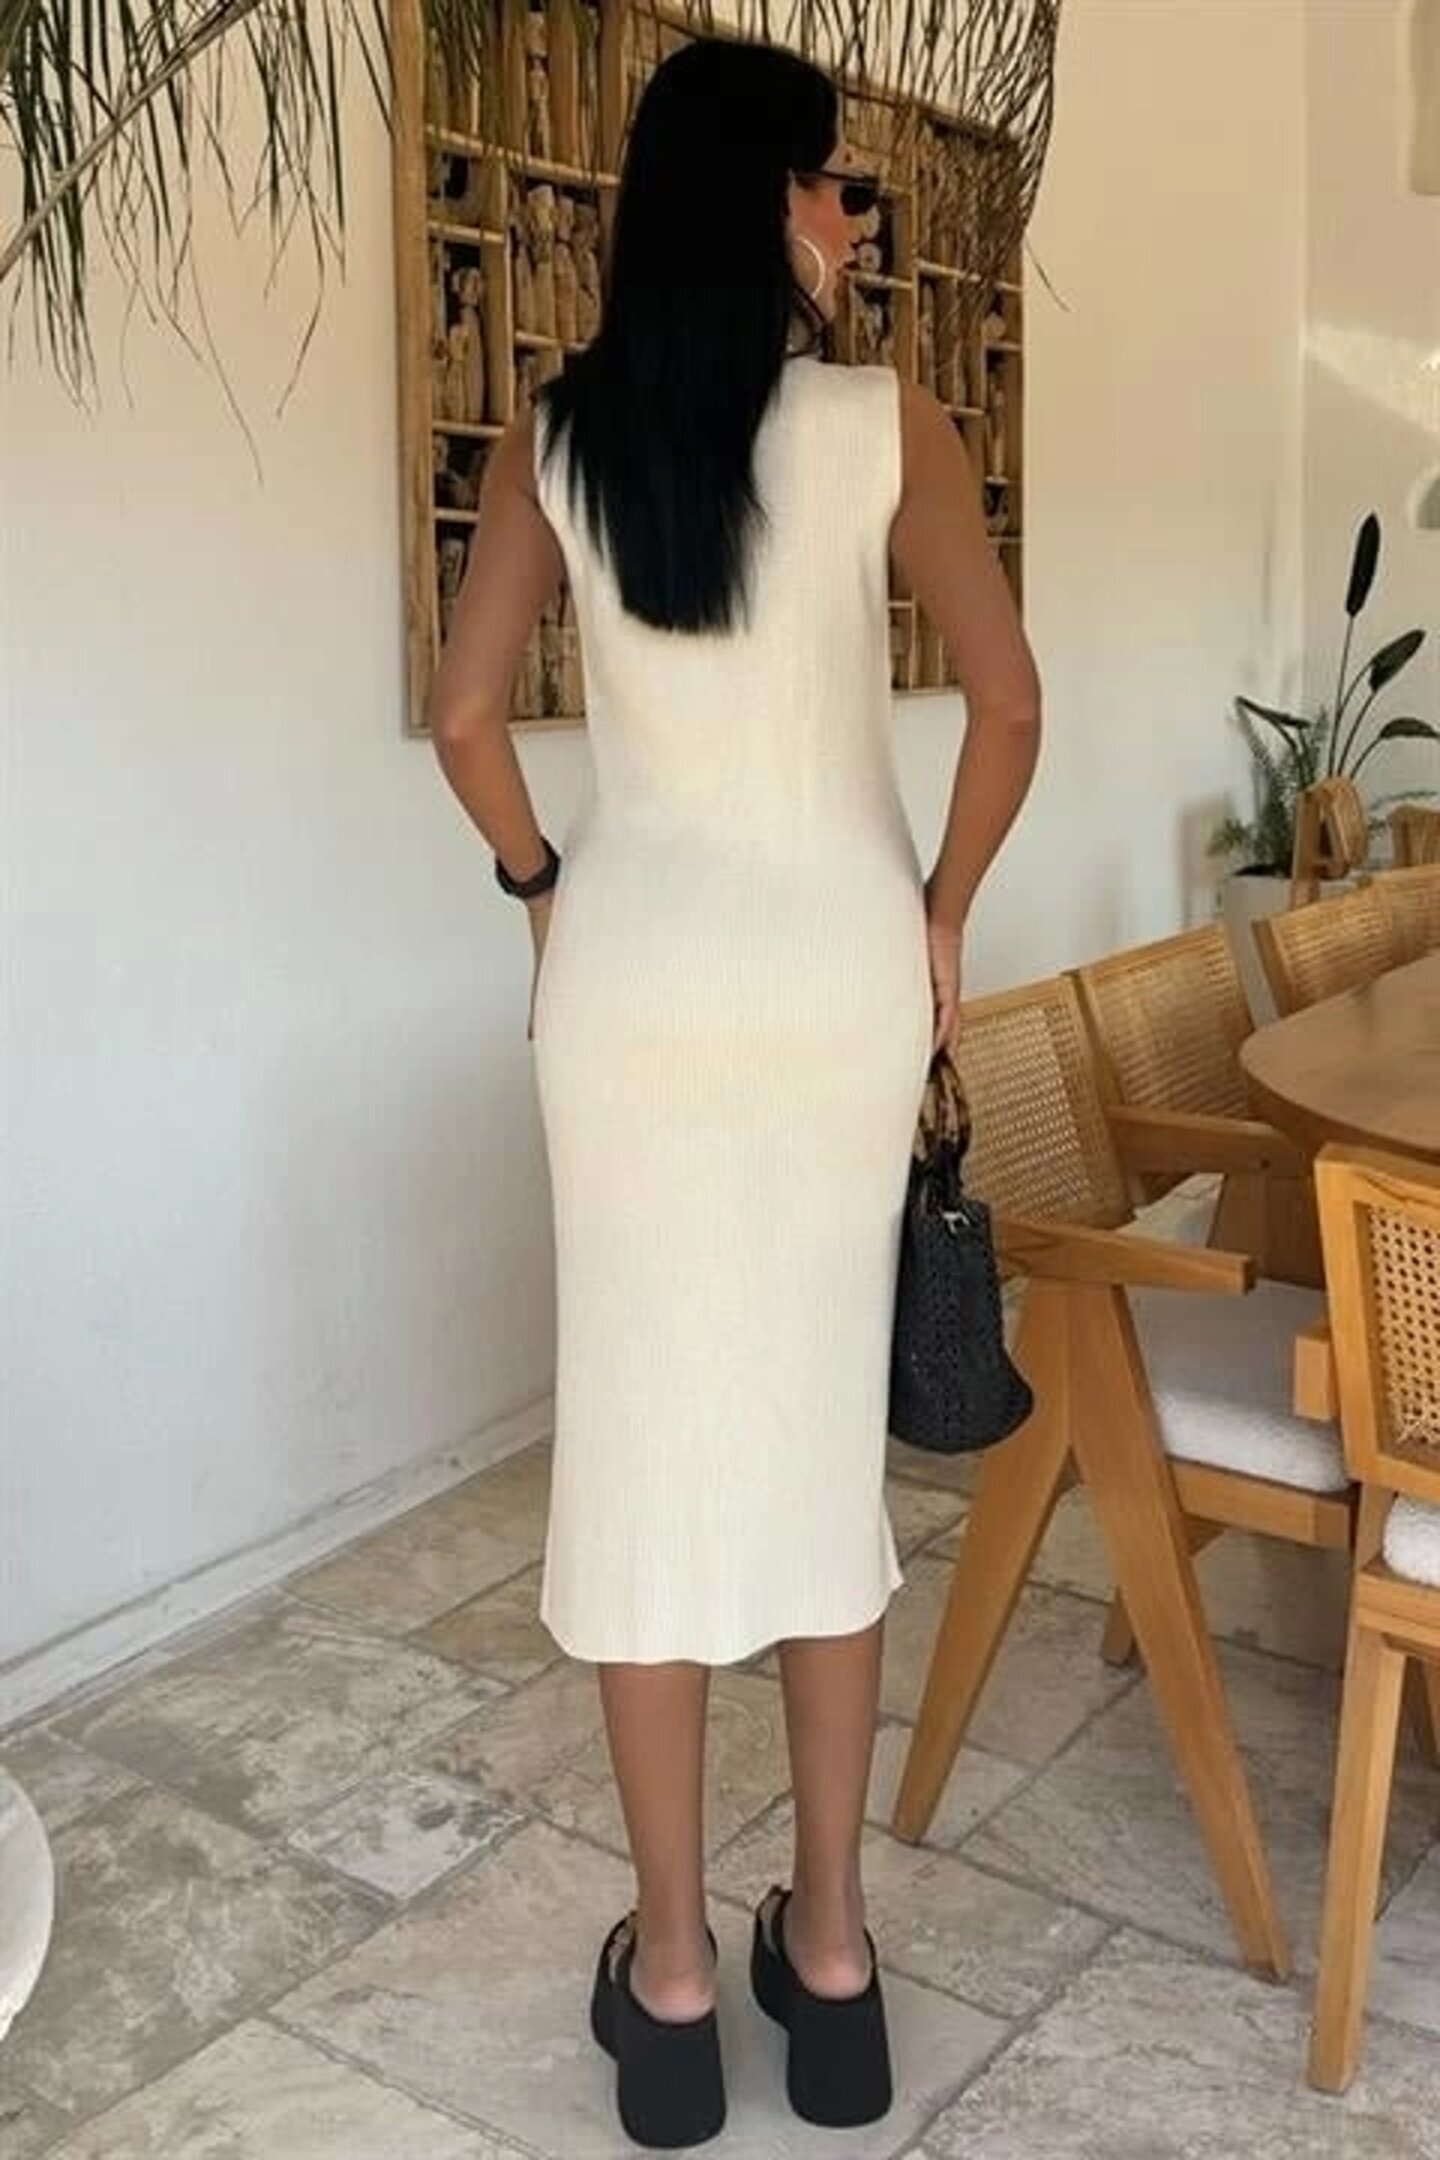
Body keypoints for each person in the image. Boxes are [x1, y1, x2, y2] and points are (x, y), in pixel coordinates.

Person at [428, 35, 1041, 2149]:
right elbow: (1009, 705)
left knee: (644, 1454)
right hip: (837, 984)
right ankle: (837, 1967)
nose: (852, 218)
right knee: (807, 1458)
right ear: (767, 200)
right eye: (835, 184)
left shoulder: (559, 437)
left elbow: (467, 717)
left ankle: (677, 1986)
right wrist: (941, 915)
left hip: (635, 991)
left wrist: (545, 895)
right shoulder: (884, 427)